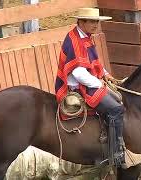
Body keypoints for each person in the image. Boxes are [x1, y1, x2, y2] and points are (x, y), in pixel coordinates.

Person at [54, 8, 126, 167]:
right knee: (116, 109)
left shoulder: (85, 37)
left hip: (89, 81)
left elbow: (94, 62)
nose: (96, 25)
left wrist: (105, 74)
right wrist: (100, 84)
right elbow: (79, 73)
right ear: (81, 22)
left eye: (97, 21)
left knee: (118, 98)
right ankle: (116, 154)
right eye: (92, 21)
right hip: (80, 86)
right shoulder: (74, 41)